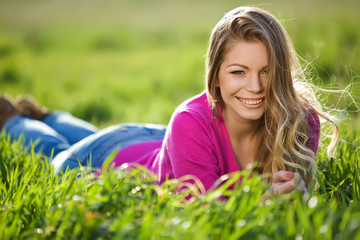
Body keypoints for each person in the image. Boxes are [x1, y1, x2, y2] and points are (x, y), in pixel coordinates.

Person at [0, 6, 338, 196]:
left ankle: (47, 114)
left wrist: (298, 193)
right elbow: (200, 208)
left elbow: (302, 196)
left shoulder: (300, 120)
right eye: (238, 72)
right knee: (55, 155)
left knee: (91, 135)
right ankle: (14, 118)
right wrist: (264, 199)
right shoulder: (191, 119)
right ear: (215, 76)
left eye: (266, 71)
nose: (255, 87)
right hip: (116, 159)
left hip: (155, 140)